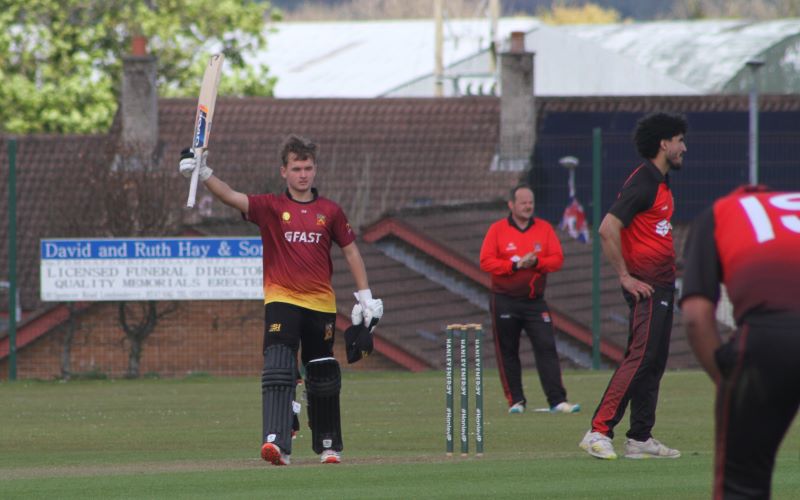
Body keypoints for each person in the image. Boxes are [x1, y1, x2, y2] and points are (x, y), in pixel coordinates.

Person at [178, 134, 383, 466]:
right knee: (278, 366)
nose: (303, 174)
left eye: (308, 168)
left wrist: (365, 297)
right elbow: (230, 196)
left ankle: (328, 445)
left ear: (314, 170)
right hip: (282, 299)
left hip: (320, 304)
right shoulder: (271, 207)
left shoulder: (330, 211)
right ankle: (277, 443)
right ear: (283, 171)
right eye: (296, 169)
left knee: (322, 373)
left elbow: (351, 252)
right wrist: (203, 173)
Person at [680, 185, 800, 499]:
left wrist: (730, 382)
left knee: (743, 485)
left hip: (769, 338)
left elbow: (695, 316)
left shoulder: (720, 213)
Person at [579, 112, 687, 460]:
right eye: (680, 140)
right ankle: (598, 431)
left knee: (653, 362)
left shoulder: (661, 183)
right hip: (647, 286)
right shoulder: (644, 181)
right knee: (640, 358)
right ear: (664, 144)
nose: (684, 147)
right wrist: (625, 276)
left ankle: (640, 437)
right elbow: (607, 228)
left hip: (663, 286)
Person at [479, 184, 580, 415]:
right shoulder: (497, 230)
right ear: (511, 205)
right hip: (504, 299)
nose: (528, 206)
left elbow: (557, 259)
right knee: (508, 350)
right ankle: (516, 401)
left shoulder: (544, 229)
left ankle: (557, 400)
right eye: (523, 202)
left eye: (531, 202)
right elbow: (486, 262)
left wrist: (537, 262)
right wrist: (514, 265)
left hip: (534, 301)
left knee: (546, 346)